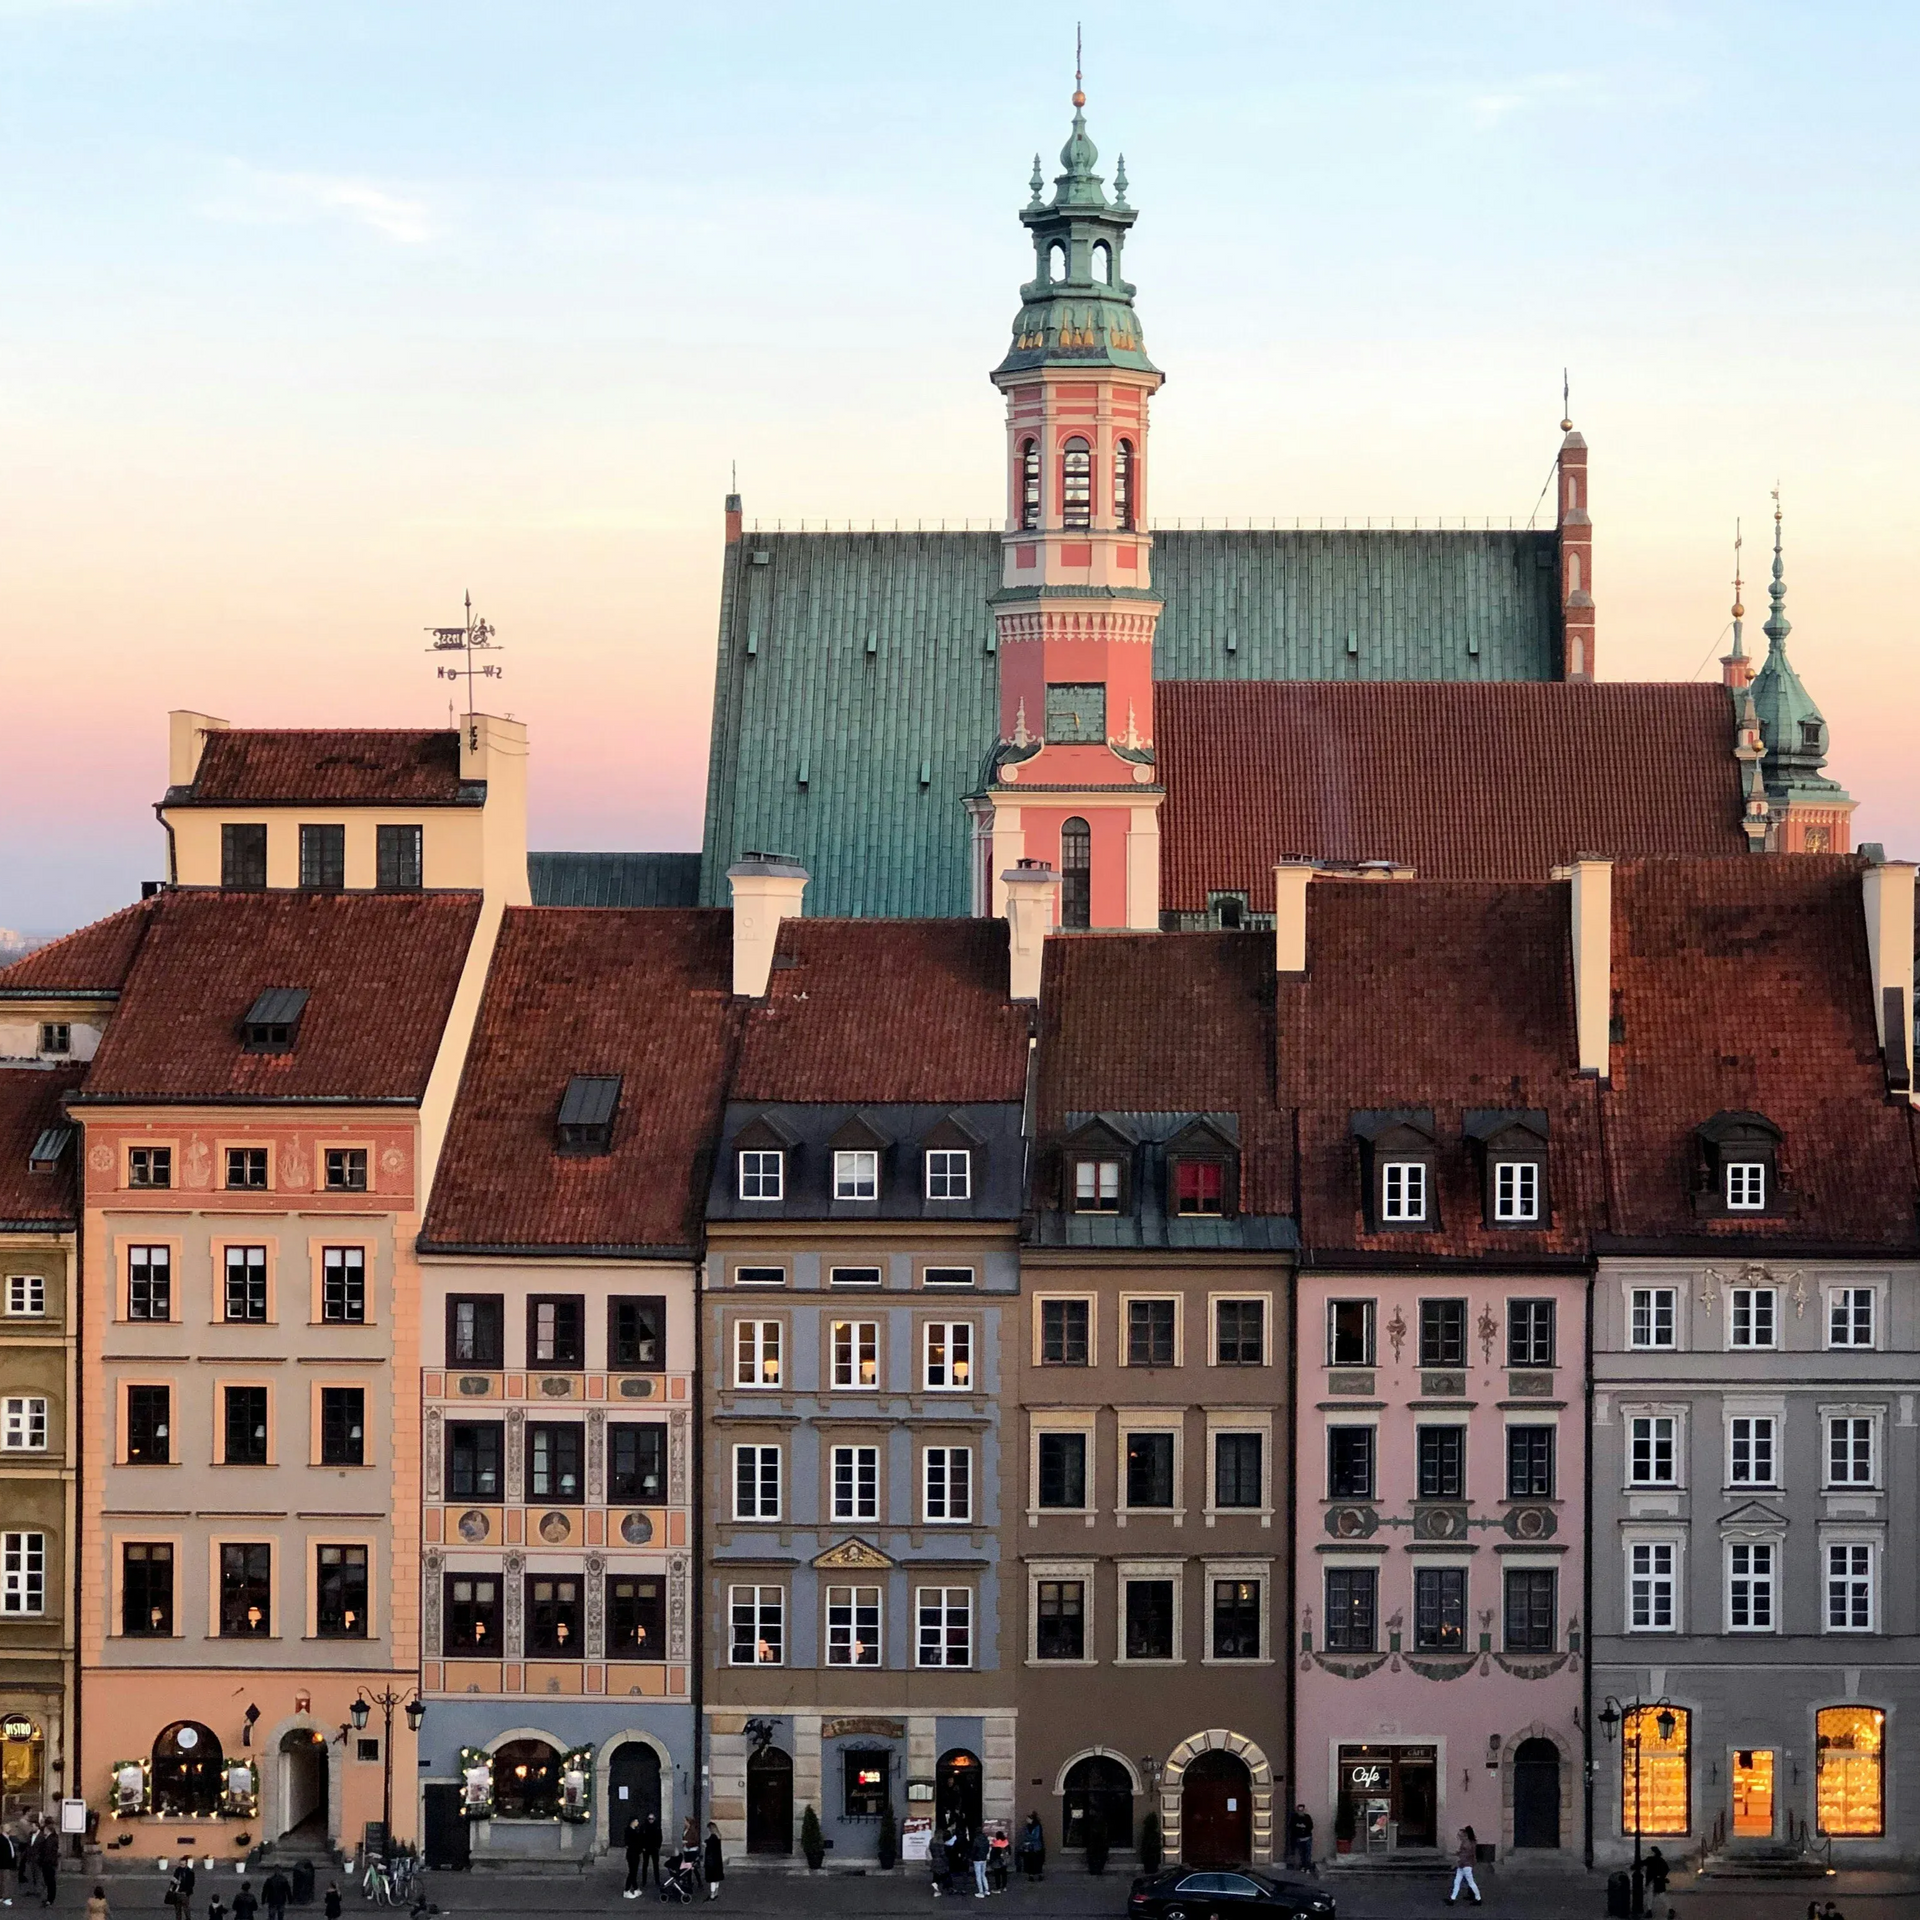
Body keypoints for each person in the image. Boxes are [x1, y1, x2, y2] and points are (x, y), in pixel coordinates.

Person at [1447, 1827, 1481, 1906]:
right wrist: (1457, 1854)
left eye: (1460, 1835)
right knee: (1457, 1881)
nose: (1458, 1836)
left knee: (1469, 1882)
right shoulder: (1468, 1842)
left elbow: (1464, 1856)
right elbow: (1465, 1854)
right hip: (1465, 1865)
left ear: (1464, 1835)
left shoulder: (1466, 1844)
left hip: (1465, 1865)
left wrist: (1456, 1864)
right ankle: (1452, 1898)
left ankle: (1478, 1898)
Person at [1017, 1813, 1044, 1883]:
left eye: (1028, 1819)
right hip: (1028, 1847)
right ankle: (1031, 1875)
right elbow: (1025, 1835)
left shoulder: (1037, 1826)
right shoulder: (1027, 1827)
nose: (1027, 1820)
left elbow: (1036, 1837)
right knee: (1029, 1861)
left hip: (1036, 1847)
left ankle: (1039, 1874)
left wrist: (1029, 1840)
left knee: (1037, 1861)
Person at [1288, 1804, 1314, 1874]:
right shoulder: (1294, 1818)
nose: (1300, 1812)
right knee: (1301, 1854)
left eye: (1302, 1810)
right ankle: (1303, 1866)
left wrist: (1303, 1827)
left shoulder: (1307, 1817)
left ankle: (1307, 1867)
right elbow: (1291, 1827)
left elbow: (1311, 1826)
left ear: (1304, 1810)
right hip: (1299, 1838)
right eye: (1299, 1810)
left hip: (1307, 1838)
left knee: (1307, 1854)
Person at [638, 1813, 662, 1890]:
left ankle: (657, 1881)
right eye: (649, 1819)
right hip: (646, 1849)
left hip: (654, 1849)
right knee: (645, 1865)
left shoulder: (657, 1827)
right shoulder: (644, 1827)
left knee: (656, 1865)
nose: (651, 1820)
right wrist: (642, 1847)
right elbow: (641, 1837)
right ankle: (644, 1881)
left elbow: (660, 1837)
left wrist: (658, 1846)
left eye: (652, 1819)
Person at [622, 1818, 644, 1899]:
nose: (638, 1823)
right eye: (636, 1821)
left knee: (634, 1872)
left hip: (635, 1854)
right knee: (632, 1873)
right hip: (632, 1854)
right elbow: (630, 1843)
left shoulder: (635, 1830)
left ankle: (636, 1889)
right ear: (632, 1822)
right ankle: (626, 1890)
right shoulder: (629, 1831)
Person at [703, 1822, 723, 1903]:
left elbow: (709, 1850)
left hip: (712, 1861)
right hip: (717, 1860)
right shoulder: (718, 1837)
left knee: (712, 1879)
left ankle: (712, 1895)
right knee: (717, 1878)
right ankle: (716, 1892)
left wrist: (705, 1845)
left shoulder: (712, 1839)